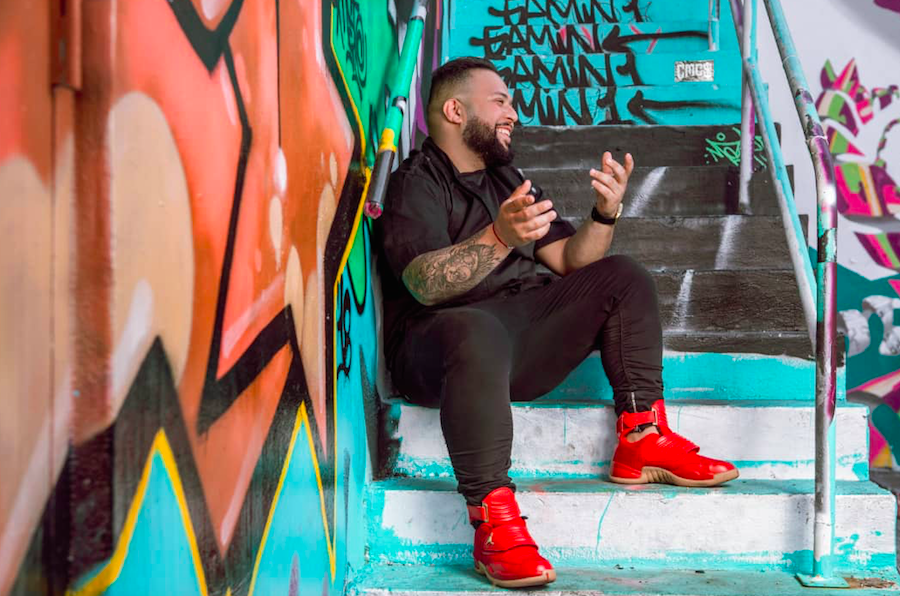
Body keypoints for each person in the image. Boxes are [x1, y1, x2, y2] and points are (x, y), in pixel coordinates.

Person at [375, 56, 738, 589]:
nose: (513, 113)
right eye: (499, 101)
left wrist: (605, 214)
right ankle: (494, 522)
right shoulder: (417, 183)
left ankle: (642, 435)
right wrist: (499, 236)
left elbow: (570, 260)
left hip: (521, 340)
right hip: (444, 351)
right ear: (455, 110)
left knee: (623, 276)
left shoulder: (507, 177)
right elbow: (426, 285)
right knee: (475, 328)